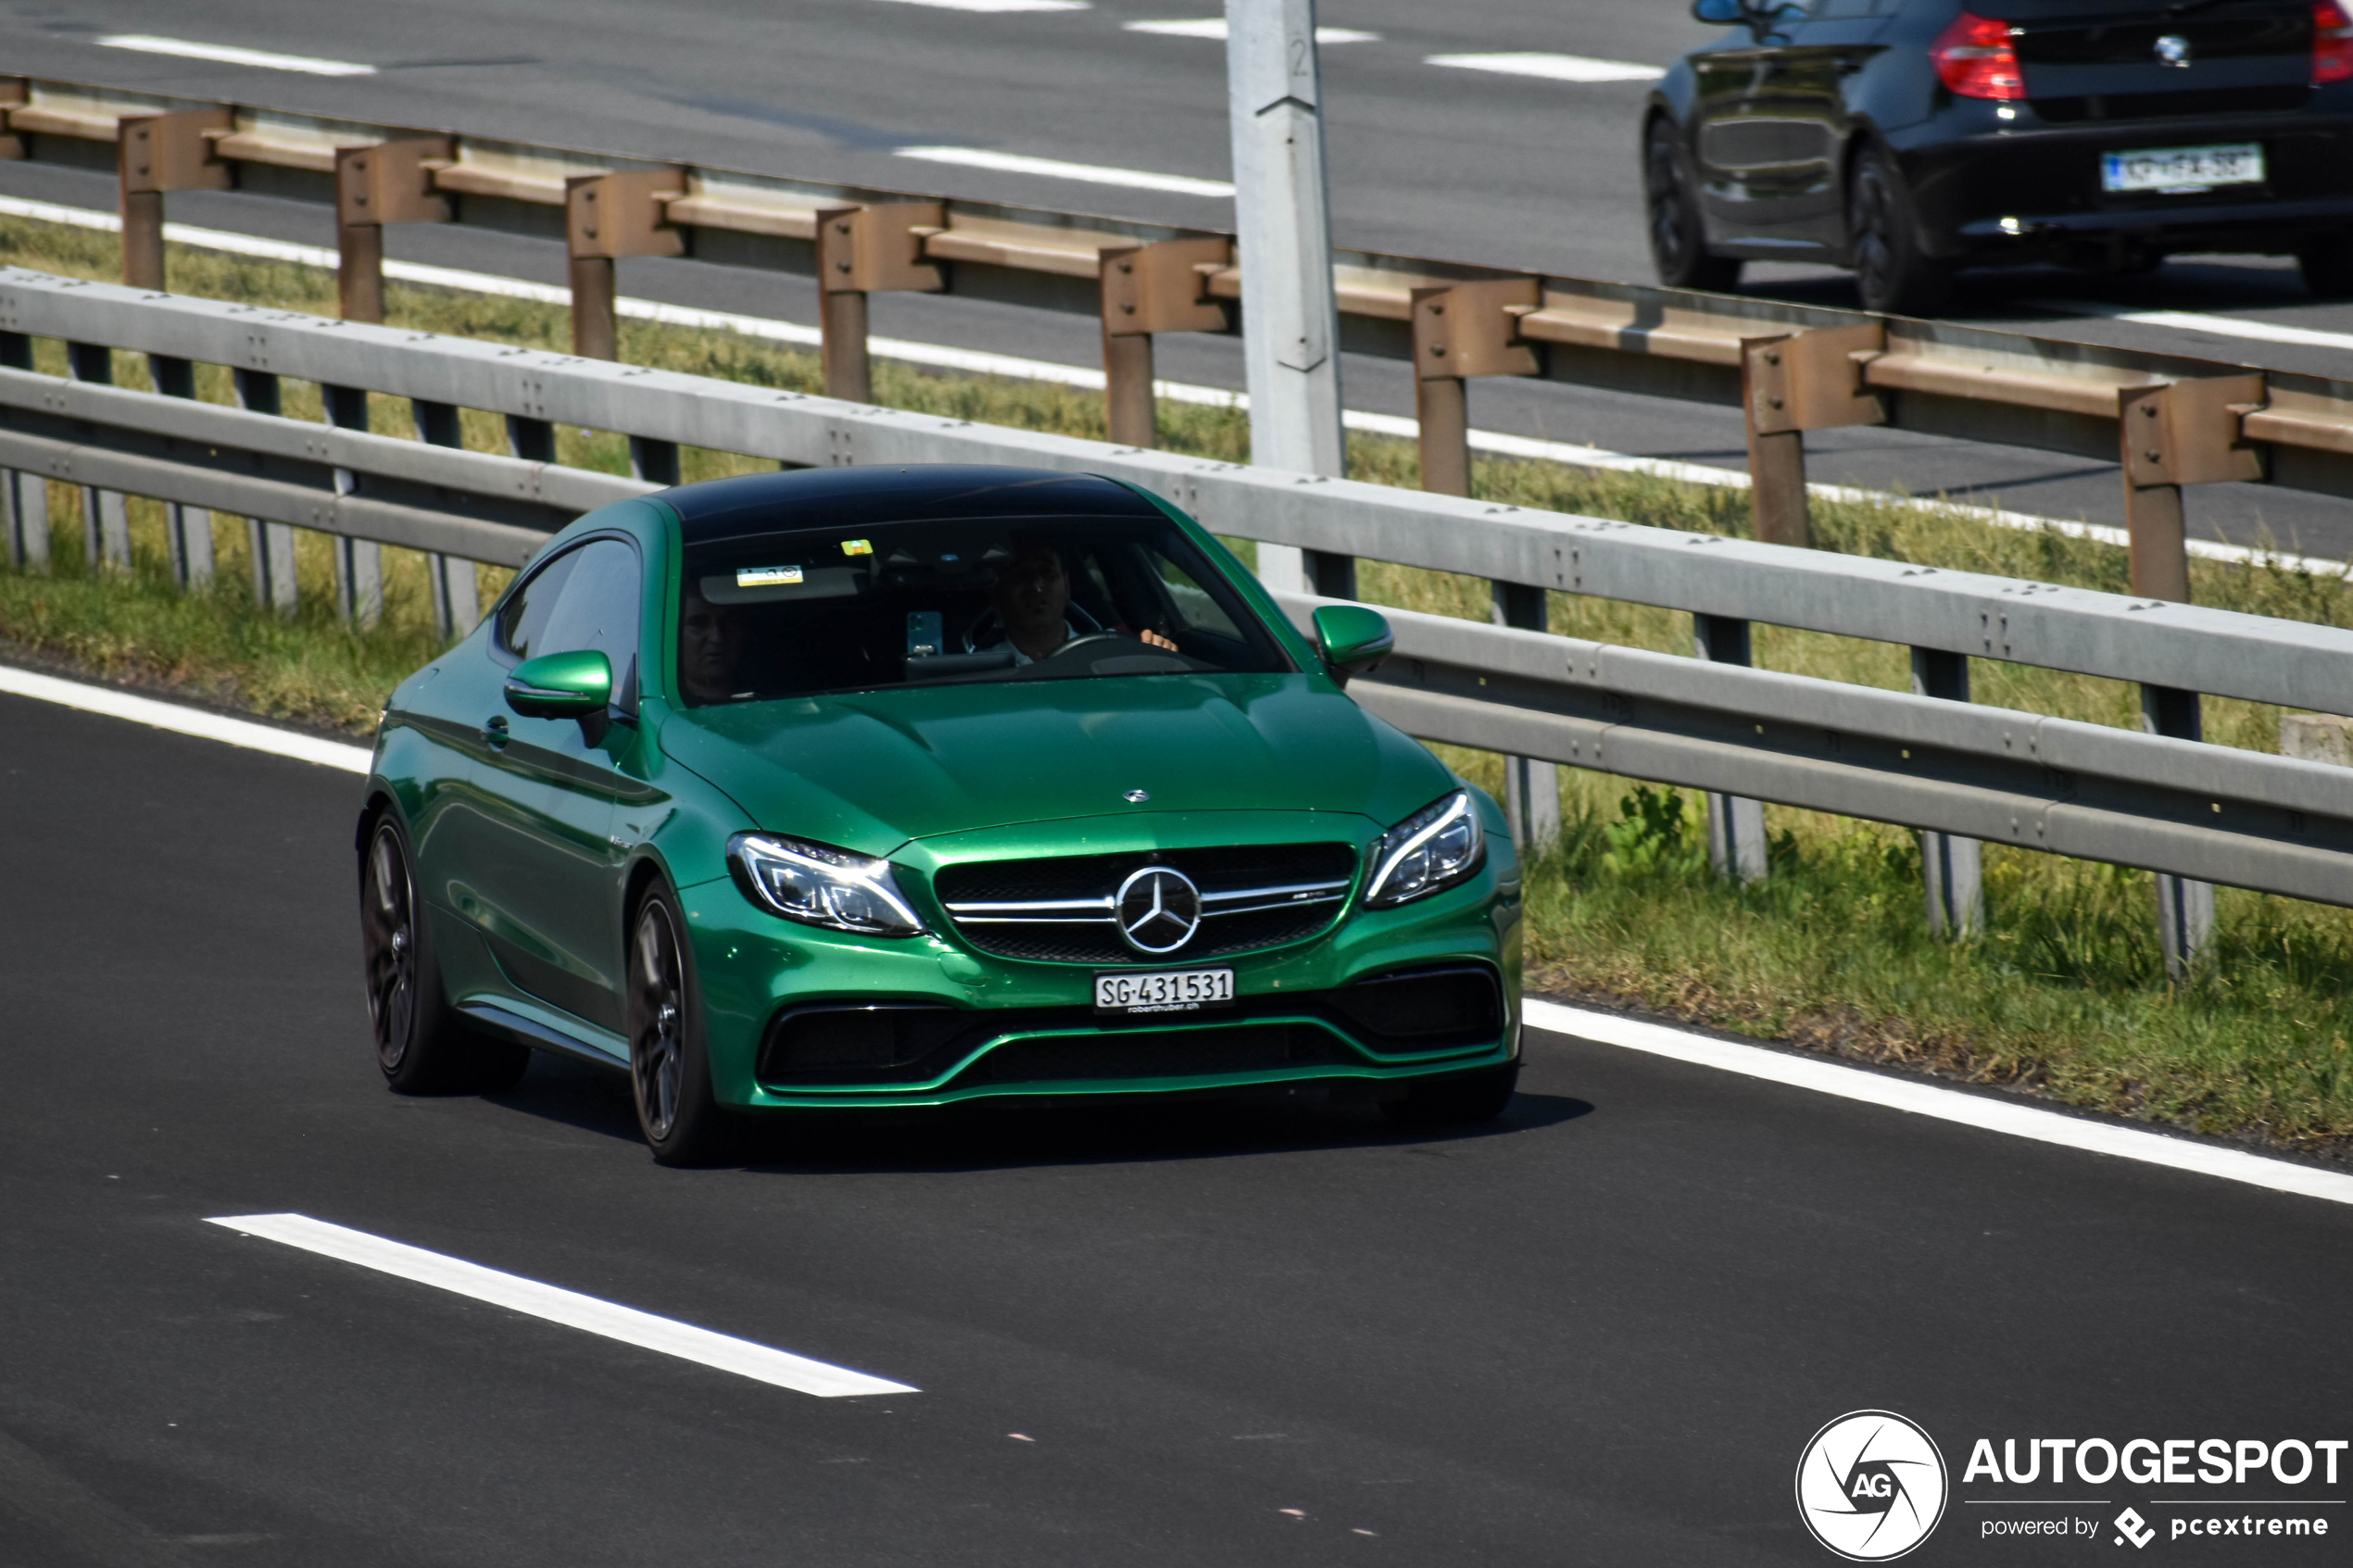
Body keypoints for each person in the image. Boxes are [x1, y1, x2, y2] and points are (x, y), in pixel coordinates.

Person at [982, 542, 1175, 665]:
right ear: (996, 594)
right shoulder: (979, 669)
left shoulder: (1116, 654)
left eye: (1047, 571)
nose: (1037, 587)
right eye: (1020, 575)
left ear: (1067, 586)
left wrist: (1157, 658)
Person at [678, 586, 747, 705]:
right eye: (699, 624)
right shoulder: (663, 710)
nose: (717, 637)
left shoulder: (774, 699)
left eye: (728, 622)